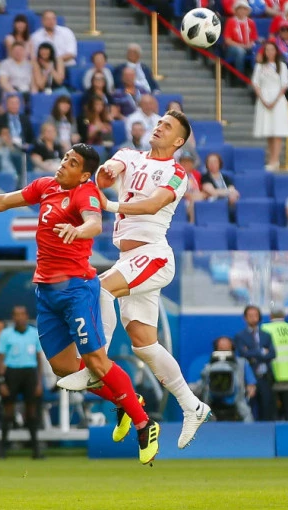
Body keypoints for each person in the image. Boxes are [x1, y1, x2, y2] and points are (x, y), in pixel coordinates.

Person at [0, 144, 161, 465]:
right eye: (65, 158)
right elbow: (3, 201)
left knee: (96, 361)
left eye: (72, 163)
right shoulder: (45, 186)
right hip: (47, 292)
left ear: (85, 175)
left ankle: (144, 424)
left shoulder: (86, 193)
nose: (64, 164)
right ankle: (127, 400)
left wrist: (77, 230)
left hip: (76, 290)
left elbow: (94, 223)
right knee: (63, 368)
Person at [56, 110, 210, 451]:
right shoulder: (129, 154)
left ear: (179, 141)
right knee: (144, 344)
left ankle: (96, 366)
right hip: (130, 259)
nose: (159, 128)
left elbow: (154, 204)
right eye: (159, 123)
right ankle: (193, 406)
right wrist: (107, 172)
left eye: (167, 127)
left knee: (99, 290)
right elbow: (107, 173)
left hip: (153, 254)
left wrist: (111, 205)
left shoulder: (176, 173)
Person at [0, 306, 43, 459]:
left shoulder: (34, 333)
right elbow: (0, 359)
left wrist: (39, 382)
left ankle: (36, 450)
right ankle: (2, 450)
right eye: (17, 315)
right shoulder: (6, 334)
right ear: (13, 317)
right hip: (12, 373)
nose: (20, 317)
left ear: (27, 316)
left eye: (22, 314)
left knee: (31, 412)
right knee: (8, 411)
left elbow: (39, 358)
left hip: (30, 373)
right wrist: (1, 381)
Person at [191, 337, 256, 423]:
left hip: (236, 400)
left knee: (246, 414)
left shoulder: (242, 363)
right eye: (221, 349)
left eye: (227, 349)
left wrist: (250, 389)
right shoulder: (208, 366)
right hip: (212, 401)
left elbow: (251, 385)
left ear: (232, 349)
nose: (224, 352)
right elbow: (202, 384)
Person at [252, 40, 288, 171]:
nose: (269, 52)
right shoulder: (259, 66)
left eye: (272, 50)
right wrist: (262, 98)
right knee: (268, 129)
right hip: (263, 98)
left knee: (277, 130)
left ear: (276, 52)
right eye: (267, 50)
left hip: (277, 100)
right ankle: (271, 159)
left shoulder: (282, 66)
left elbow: (285, 84)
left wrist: (275, 100)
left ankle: (275, 159)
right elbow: (255, 83)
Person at [234, 305, 276, 421]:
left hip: (265, 377)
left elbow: (272, 354)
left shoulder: (266, 335)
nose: (253, 318)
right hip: (249, 379)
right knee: (249, 409)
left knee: (266, 410)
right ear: (245, 318)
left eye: (256, 315)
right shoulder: (240, 336)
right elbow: (243, 354)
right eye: (250, 315)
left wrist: (252, 353)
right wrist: (261, 351)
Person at [262, 308, 288, 420]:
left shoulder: (265, 328)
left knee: (272, 410)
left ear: (270, 316)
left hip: (274, 374)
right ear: (284, 316)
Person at [223, 0, 259, 76]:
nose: (242, 11)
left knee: (257, 49)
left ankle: (255, 74)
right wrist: (242, 46)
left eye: (244, 9)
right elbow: (227, 41)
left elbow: (253, 39)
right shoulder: (231, 21)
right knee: (240, 51)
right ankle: (240, 76)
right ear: (236, 10)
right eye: (240, 8)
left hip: (247, 46)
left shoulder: (251, 22)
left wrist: (250, 44)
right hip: (233, 47)